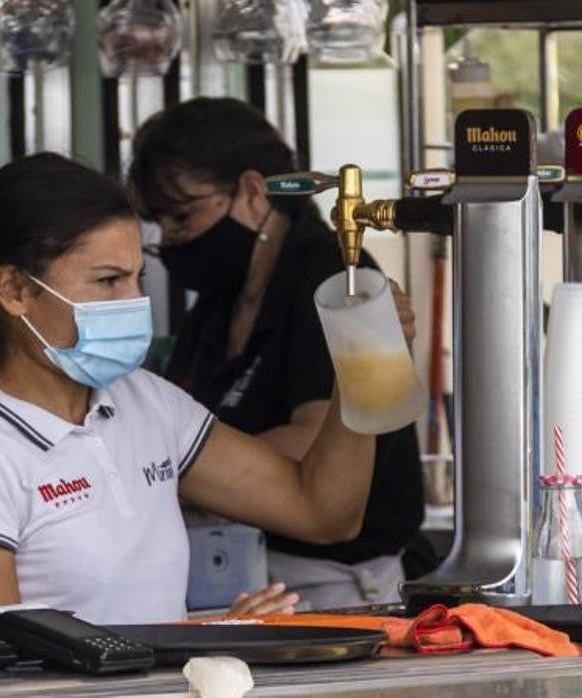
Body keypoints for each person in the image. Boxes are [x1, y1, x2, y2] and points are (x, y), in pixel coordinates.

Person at [0, 153, 410, 624]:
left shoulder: (145, 402)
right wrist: (198, 646)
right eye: (107, 282)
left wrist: (358, 367)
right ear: (15, 289)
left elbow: (323, 513)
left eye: (137, 278)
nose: (134, 300)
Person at [128, 97, 427, 610]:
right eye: (162, 225)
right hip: (232, 572)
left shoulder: (333, 278)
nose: (172, 240)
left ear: (250, 191)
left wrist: (175, 477)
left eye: (182, 216)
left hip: (333, 581)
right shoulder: (218, 304)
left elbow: (313, 440)